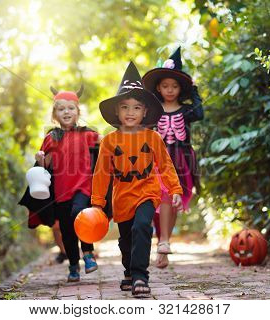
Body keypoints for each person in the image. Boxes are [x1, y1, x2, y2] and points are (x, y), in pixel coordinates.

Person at [91, 62, 183, 297]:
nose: (130, 112)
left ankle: (141, 275)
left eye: (136, 107)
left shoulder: (152, 138)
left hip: (147, 191)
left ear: (145, 112)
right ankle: (130, 272)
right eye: (125, 107)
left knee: (143, 226)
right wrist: (97, 203)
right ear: (117, 112)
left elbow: (165, 166)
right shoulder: (110, 142)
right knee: (126, 239)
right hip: (121, 197)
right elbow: (101, 173)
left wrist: (175, 190)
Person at [21, 85, 100, 282]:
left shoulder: (88, 134)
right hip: (62, 191)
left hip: (84, 186)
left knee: (80, 215)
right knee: (66, 230)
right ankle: (74, 264)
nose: (66, 112)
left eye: (71, 108)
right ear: (55, 114)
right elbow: (45, 165)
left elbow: (105, 146)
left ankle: (88, 253)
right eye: (61, 108)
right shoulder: (51, 138)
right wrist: (40, 158)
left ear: (78, 111)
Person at [142, 47, 204, 268]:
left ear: (181, 88)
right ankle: (164, 241)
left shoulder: (186, 110)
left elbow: (200, 113)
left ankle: (163, 245)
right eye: (165, 86)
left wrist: (194, 89)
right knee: (163, 198)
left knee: (174, 200)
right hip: (158, 159)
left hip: (182, 158)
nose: (170, 90)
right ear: (159, 87)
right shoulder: (153, 110)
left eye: (175, 86)